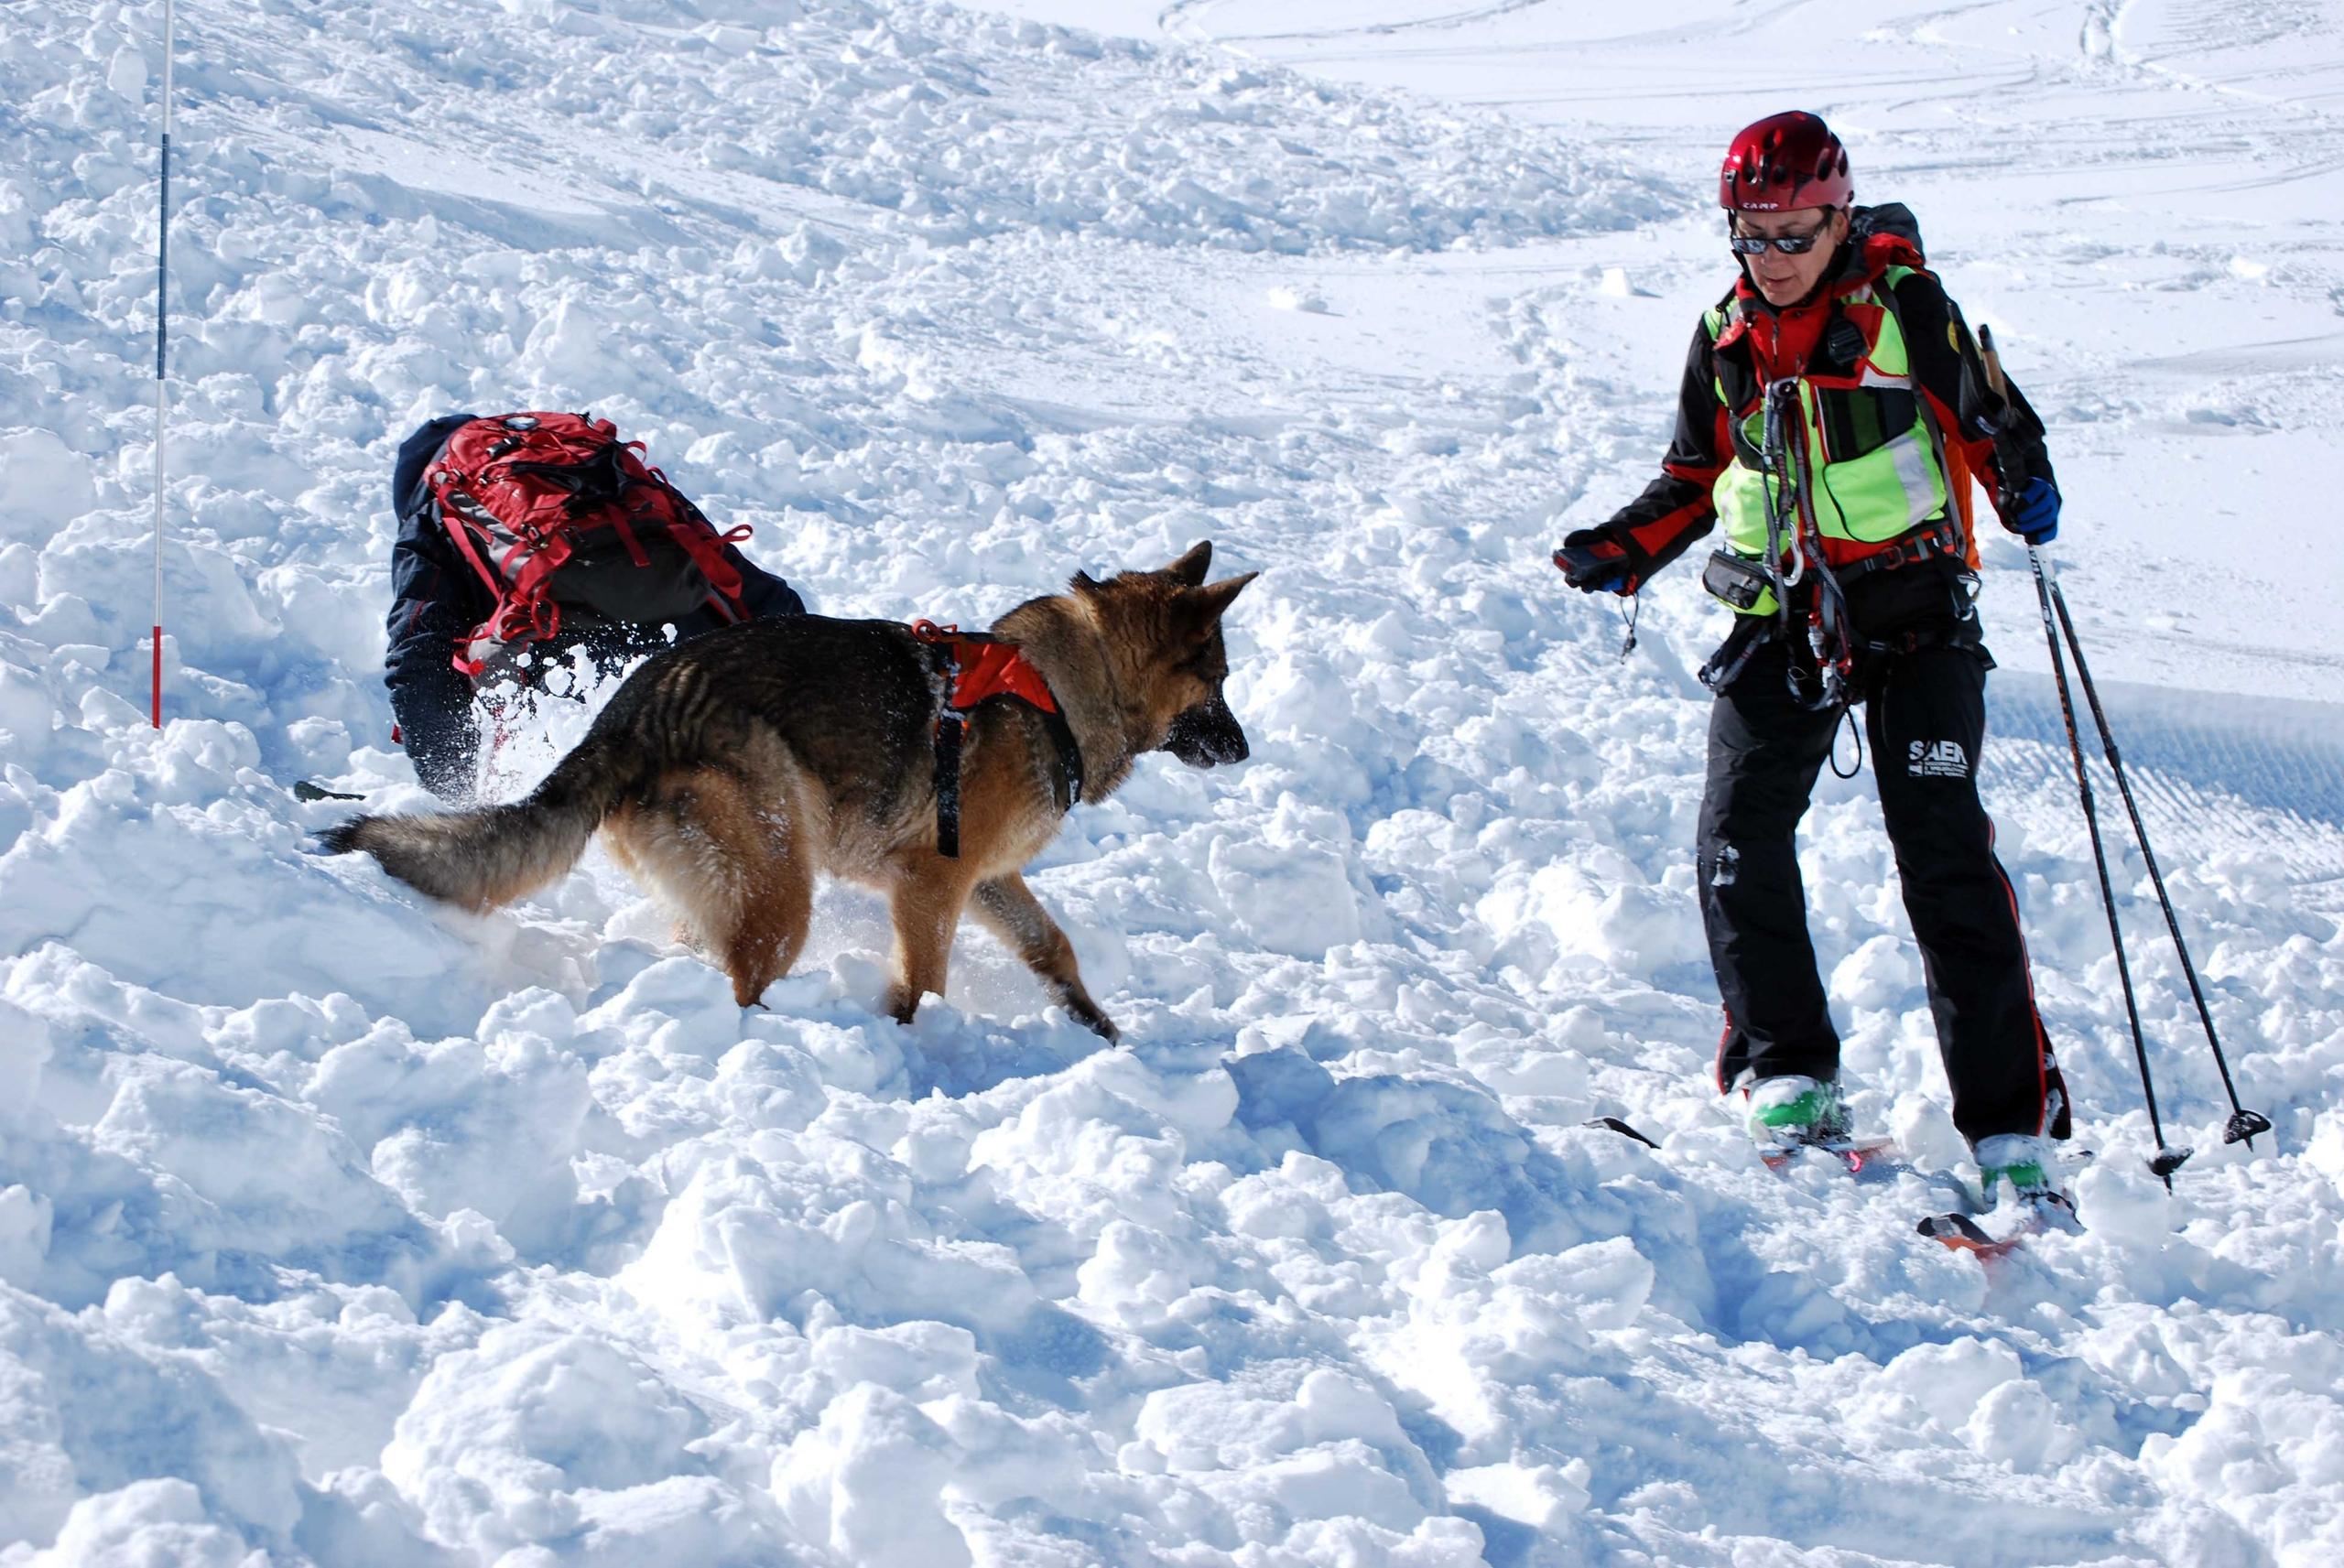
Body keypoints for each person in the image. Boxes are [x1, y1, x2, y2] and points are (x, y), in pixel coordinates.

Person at [1554, 111, 2073, 1217]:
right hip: (1783, 610)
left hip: (1916, 609)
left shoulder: (1904, 310)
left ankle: (2011, 1130)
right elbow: (1695, 477)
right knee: (1735, 837)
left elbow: (1993, 425)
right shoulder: (1727, 331)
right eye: (1753, 235)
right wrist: (1623, 546)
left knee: (1942, 857)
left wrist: (2024, 486)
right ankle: (1785, 1068)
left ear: (1839, 220)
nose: (1774, 258)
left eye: (1795, 233)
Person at [384, 412, 807, 799]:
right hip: (691, 660)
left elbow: (419, 657)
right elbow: (733, 574)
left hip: (565, 695)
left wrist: (451, 795)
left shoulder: (438, 506)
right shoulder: (595, 464)